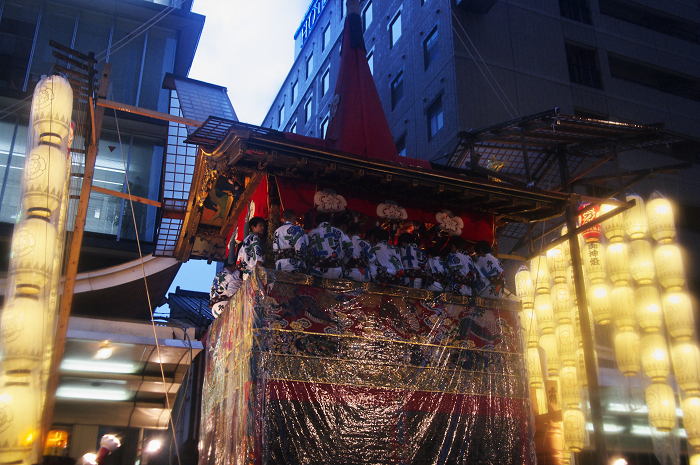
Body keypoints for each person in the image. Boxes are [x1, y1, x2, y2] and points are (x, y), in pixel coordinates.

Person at [308, 212, 345, 278]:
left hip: (316, 269)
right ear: (329, 221)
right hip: (335, 269)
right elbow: (349, 247)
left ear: (316, 223)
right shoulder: (338, 231)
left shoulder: (311, 233)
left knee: (316, 288)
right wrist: (342, 259)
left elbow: (306, 252)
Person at [273, 209, 309, 273]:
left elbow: (274, 250)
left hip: (280, 264)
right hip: (294, 263)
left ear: (283, 218)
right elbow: (301, 247)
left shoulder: (277, 231)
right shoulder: (297, 228)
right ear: (294, 217)